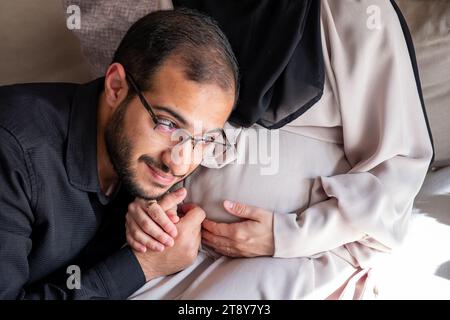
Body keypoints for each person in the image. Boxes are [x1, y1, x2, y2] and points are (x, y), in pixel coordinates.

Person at [125, 0, 434, 299]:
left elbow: (397, 167)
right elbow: (152, 120)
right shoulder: (182, 4)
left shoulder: (358, 10)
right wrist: (150, 204)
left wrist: (290, 235)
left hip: (305, 253)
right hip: (180, 245)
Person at [0, 8, 239, 299]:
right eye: (166, 124)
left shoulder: (138, 168)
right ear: (115, 87)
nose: (179, 162)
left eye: (204, 140)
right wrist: (143, 265)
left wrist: (152, 204)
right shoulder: (13, 153)